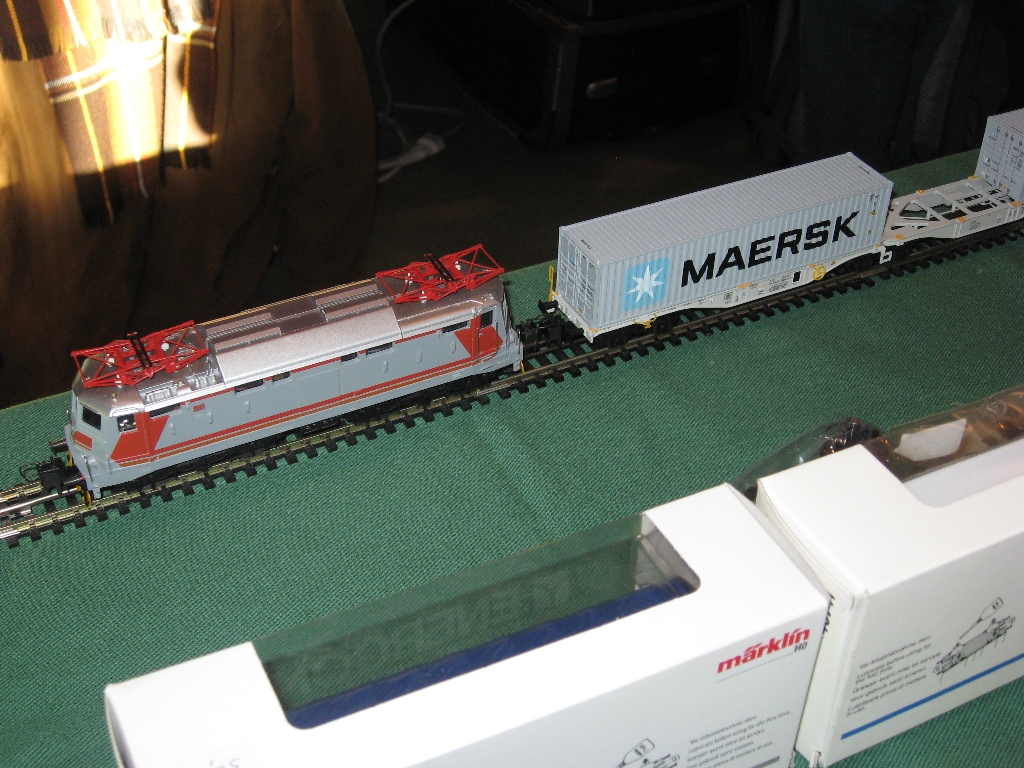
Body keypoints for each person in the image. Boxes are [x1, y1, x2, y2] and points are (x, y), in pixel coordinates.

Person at [0, 0, 377, 409]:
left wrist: (334, 322)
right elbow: (332, 138)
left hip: (195, 338)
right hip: (83, 360)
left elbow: (329, 131)